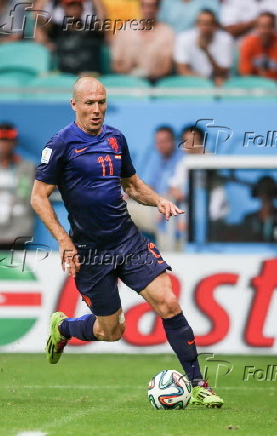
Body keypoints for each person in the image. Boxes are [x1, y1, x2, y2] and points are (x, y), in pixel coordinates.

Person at [31, 76, 224, 408]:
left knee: (168, 302)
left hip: (128, 240)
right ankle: (64, 328)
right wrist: (64, 242)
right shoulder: (60, 144)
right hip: (91, 251)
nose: (96, 110)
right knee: (111, 331)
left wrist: (159, 200)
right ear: (74, 104)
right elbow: (38, 197)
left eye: (101, 102)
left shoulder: (115, 138)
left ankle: (198, 384)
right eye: (89, 103)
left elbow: (132, 185)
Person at [0, 122, 35, 249]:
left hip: (18, 232)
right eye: (1, 141)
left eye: (8, 141)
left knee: (15, 267)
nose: (4, 145)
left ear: (15, 142)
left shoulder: (28, 168)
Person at [111, 0, 175, 81]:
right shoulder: (125, 29)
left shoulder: (167, 33)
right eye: (144, 6)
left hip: (155, 84)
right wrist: (132, 74)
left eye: (151, 6)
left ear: (158, 9)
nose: (148, 10)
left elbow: (166, 68)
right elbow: (116, 65)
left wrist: (147, 77)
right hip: (127, 82)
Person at [35, 0, 104, 75]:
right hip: (64, 76)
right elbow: (38, 18)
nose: (73, 10)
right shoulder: (57, 30)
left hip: (89, 76)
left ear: (82, 8)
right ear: (64, 8)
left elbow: (102, 18)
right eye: (69, 6)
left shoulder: (92, 29)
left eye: (76, 6)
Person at [174, 9, 234, 86]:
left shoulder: (225, 39)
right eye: (201, 23)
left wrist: (207, 52)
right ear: (196, 24)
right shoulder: (183, 38)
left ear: (215, 26)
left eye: (208, 24)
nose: (204, 27)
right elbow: (183, 71)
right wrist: (206, 81)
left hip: (218, 81)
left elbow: (223, 73)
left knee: (221, 82)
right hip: (194, 81)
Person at [239, 12, 277, 80]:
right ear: (256, 27)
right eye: (262, 26)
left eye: (269, 26)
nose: (265, 30)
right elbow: (245, 73)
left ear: (274, 27)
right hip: (255, 85)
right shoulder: (249, 43)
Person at [242, 176, 277, 242]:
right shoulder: (248, 219)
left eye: (270, 194)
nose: (266, 197)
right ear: (258, 195)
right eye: (262, 194)